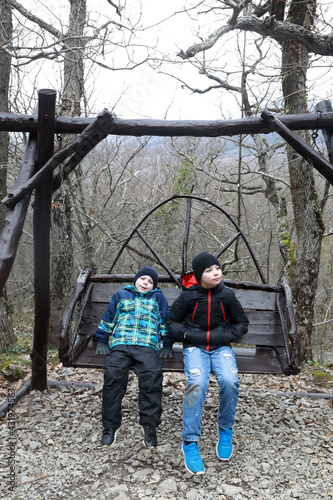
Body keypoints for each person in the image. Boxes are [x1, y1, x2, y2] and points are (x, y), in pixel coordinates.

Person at [165, 252, 249, 475]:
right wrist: (184, 334)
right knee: (198, 383)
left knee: (230, 380)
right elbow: (171, 321)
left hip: (221, 347)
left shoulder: (227, 295)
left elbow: (242, 323)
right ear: (199, 275)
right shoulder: (188, 296)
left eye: (217, 268)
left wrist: (227, 336)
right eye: (209, 270)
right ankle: (190, 442)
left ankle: (225, 428)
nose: (216, 273)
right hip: (195, 347)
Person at [95, 266, 172, 448]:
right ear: (135, 280)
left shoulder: (158, 298)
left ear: (154, 286)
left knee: (152, 377)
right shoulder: (121, 295)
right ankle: (110, 425)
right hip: (122, 343)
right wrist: (101, 340)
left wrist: (167, 344)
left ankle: (149, 424)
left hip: (147, 345)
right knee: (113, 375)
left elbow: (165, 321)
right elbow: (108, 318)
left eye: (150, 281)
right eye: (142, 279)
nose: (145, 283)